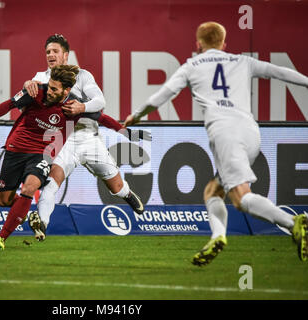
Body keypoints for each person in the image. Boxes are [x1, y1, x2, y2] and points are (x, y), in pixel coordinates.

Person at [124, 21, 308, 265]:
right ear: (224, 42)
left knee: (241, 198)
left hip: (225, 133)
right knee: (213, 190)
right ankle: (218, 236)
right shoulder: (243, 61)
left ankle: (294, 222)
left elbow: (164, 94)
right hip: (252, 133)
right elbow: (281, 72)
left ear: (197, 44)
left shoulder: (192, 66)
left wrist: (136, 115)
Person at [0, 64, 149, 250]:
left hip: (41, 154)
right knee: (4, 200)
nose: (49, 91)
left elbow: (102, 117)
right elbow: (11, 103)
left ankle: (1, 238)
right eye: (49, 86)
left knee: (30, 187)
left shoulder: (74, 105)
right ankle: (22, 211)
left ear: (66, 90)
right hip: (15, 149)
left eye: (54, 89)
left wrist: (125, 132)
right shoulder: (37, 91)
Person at [24, 34, 148, 241]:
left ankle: (127, 194)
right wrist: (28, 84)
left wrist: (82, 106)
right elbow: (29, 91)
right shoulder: (41, 77)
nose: (51, 55)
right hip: (61, 139)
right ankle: (42, 225)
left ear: (66, 55)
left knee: (115, 187)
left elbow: (100, 102)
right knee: (51, 184)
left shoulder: (82, 76)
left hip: (88, 137)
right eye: (48, 52)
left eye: (55, 51)